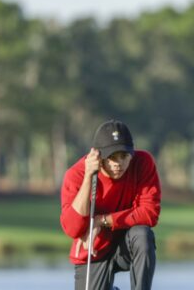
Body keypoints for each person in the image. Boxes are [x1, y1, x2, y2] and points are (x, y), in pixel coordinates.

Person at [60, 119, 162, 290]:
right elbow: (73, 229)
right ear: (97, 156)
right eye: (111, 157)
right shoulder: (76, 174)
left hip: (127, 244)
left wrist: (102, 220)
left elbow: (150, 213)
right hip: (94, 249)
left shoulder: (143, 163)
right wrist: (88, 177)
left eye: (124, 156)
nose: (118, 163)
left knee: (142, 235)